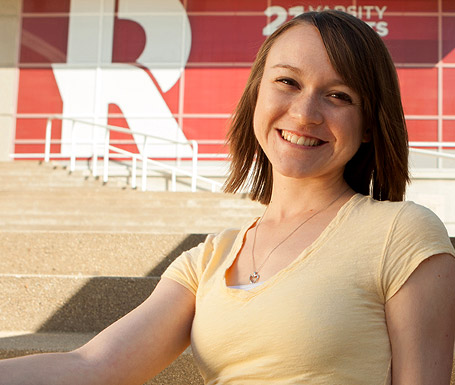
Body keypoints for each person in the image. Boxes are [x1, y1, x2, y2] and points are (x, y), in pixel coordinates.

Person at [1, 9, 455, 385]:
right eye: (288, 82)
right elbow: (93, 366)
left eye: (338, 95)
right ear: (257, 93)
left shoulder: (401, 233)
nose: (304, 113)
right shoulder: (207, 260)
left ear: (370, 125)